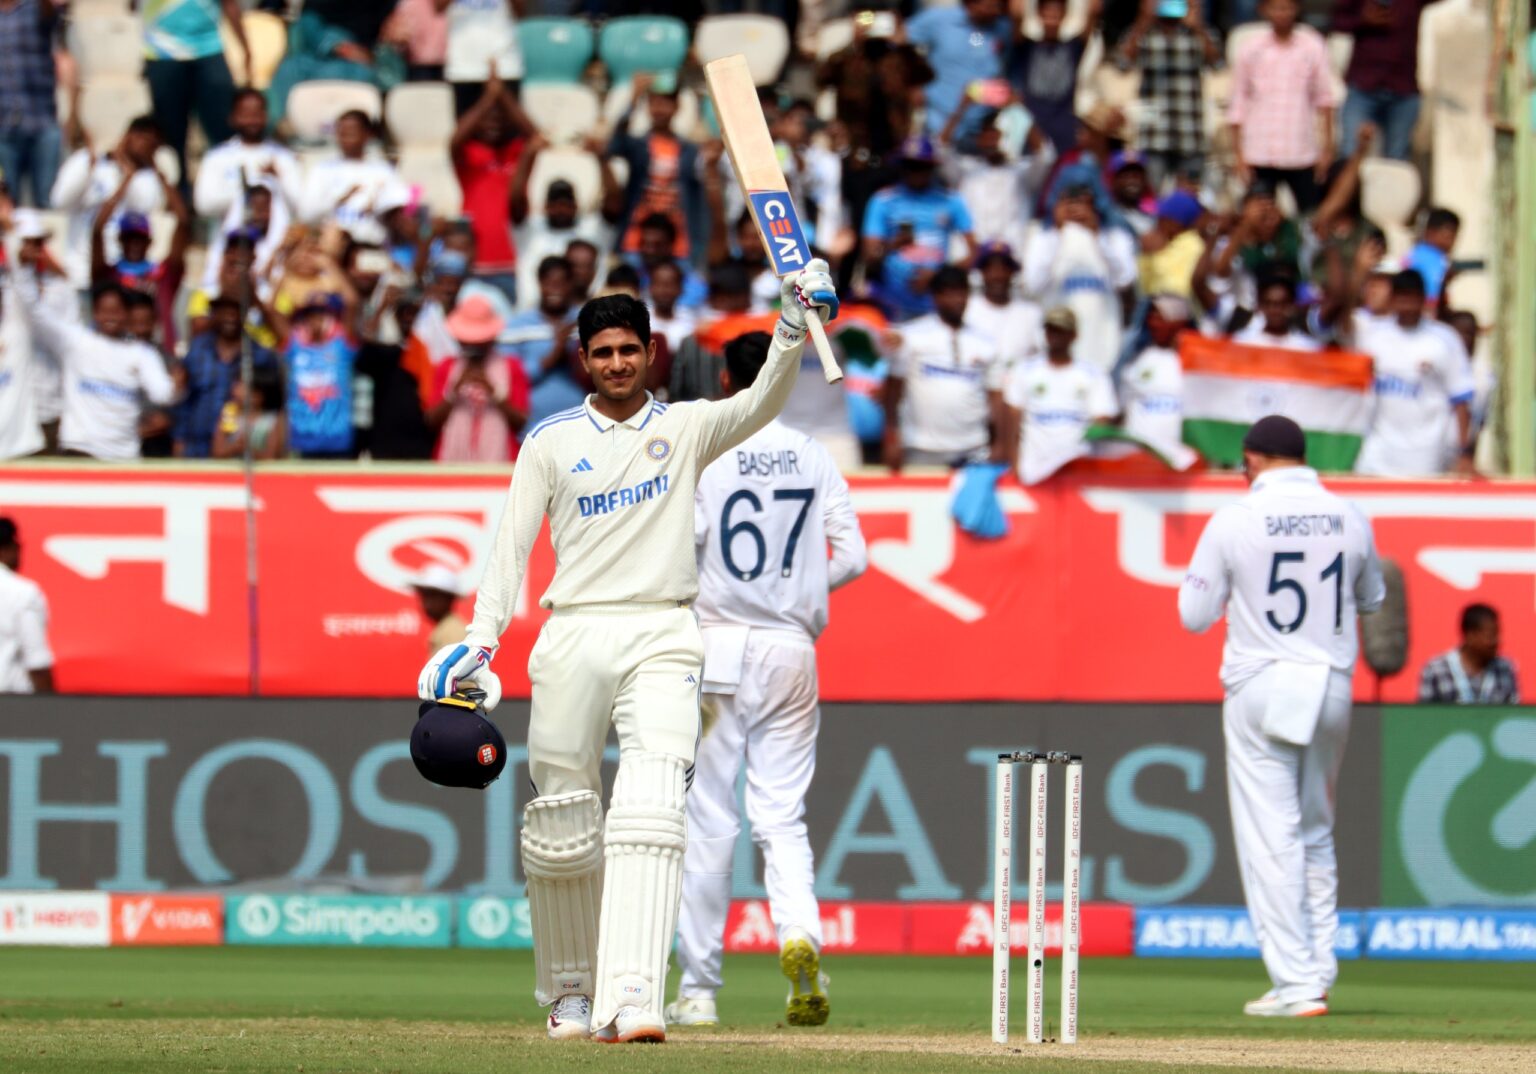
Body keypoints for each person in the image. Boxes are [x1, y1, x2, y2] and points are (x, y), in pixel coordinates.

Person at [416, 262, 839, 1044]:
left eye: (629, 350)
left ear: (652, 352)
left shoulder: (685, 428)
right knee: (563, 824)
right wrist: (480, 639)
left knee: (652, 808)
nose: (617, 363)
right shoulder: (549, 441)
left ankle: (636, 992)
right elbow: (509, 547)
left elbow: (760, 404)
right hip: (573, 630)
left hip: (664, 631)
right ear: (585, 358)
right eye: (602, 351)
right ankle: (572, 993)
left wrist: (791, 323)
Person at [668, 331, 868, 1029]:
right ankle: (799, 939)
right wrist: (804, 591)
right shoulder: (813, 452)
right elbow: (856, 554)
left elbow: (681, 549)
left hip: (716, 645)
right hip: (792, 648)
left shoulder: (706, 447)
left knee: (710, 819)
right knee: (781, 817)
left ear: (728, 377)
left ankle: (697, 990)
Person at [1178, 415, 1385, 1019]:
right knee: (1316, 830)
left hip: (1263, 683)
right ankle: (1315, 970)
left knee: (1270, 834)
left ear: (1252, 457)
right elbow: (1371, 599)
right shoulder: (1350, 515)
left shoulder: (1233, 519)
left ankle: (1295, 982)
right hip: (1331, 686)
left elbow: (1193, 615)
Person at [15, 278, 176, 459]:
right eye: (104, 311)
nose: (110, 317)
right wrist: (24, 271)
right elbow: (36, 314)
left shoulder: (141, 354)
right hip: (80, 451)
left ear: (127, 314)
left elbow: (162, 394)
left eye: (116, 311)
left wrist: (174, 384)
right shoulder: (76, 342)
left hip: (123, 456)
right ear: (95, 314)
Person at [1355, 270, 1474, 477]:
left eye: (1412, 299)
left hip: (1426, 458)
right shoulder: (1372, 336)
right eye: (1402, 299)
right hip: (1377, 455)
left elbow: (1461, 400)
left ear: (1422, 300)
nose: (1407, 306)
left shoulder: (1444, 340)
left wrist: (1463, 454)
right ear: (1392, 300)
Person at [882, 265, 1003, 470]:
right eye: (949, 293)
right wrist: (891, 437)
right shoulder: (911, 336)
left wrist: (1000, 443)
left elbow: (996, 397)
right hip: (922, 449)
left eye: (961, 292)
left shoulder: (985, 343)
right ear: (935, 297)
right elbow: (893, 390)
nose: (957, 299)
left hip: (973, 449)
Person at [1227, 0, 1338, 213]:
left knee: (1310, 216)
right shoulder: (1251, 48)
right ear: (1264, 10)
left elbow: (1324, 100)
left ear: (1296, 9)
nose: (1282, 14)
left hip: (1300, 151)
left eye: (1287, 7)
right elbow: (1238, 102)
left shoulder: (1312, 45)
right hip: (1259, 151)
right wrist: (1238, 155)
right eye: (1276, 8)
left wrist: (1327, 149)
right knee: (1257, 217)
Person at [862, 136, 977, 322]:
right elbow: (869, 256)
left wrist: (939, 277)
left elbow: (974, 252)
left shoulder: (950, 200)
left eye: (922, 166)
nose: (916, 172)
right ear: (901, 167)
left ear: (932, 168)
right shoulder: (883, 201)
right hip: (892, 304)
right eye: (911, 166)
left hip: (936, 307)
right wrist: (893, 245)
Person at [141, 0, 247, 199]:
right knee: (170, 133)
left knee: (223, 129)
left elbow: (230, 3)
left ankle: (231, 192)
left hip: (209, 49)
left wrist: (245, 47)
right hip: (163, 51)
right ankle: (177, 198)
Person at [1003, 306, 1118, 484]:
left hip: (1077, 471)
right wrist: (1014, 463)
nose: (1055, 336)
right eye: (1051, 330)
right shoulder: (1024, 371)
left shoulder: (1094, 375)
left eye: (1061, 331)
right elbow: (1012, 421)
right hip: (1033, 470)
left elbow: (1102, 419)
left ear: (1074, 335)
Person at [1115, 0, 1221, 191]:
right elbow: (1122, 64)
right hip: (1154, 134)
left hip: (1190, 132)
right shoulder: (1144, 32)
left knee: (1190, 199)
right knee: (1150, 198)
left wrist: (1199, 26)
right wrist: (1143, 21)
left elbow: (1218, 63)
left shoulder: (1198, 32)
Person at [50, 118, 166, 288]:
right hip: (80, 272)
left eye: (154, 146)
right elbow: (59, 201)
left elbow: (145, 207)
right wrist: (89, 166)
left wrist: (128, 177)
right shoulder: (86, 162)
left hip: (119, 277)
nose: (148, 150)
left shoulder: (145, 179)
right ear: (130, 136)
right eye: (146, 142)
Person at [452, 67, 533, 304]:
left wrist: (503, 95)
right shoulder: (470, 155)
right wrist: (488, 99)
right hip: (473, 265)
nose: (493, 123)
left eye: (499, 118)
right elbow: (455, 138)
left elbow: (535, 137)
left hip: (509, 264)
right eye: (487, 117)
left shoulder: (515, 153)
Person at [609, 73, 704, 264]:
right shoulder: (637, 146)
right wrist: (632, 103)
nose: (660, 109)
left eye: (666, 103)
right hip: (636, 241)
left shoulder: (690, 150)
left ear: (677, 107)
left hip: (678, 245)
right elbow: (614, 146)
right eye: (654, 102)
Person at [427, 294, 529, 462]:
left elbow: (521, 421)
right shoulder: (446, 366)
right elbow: (431, 421)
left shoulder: (511, 366)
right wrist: (454, 390)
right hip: (450, 460)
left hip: (500, 460)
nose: (473, 346)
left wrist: (492, 390)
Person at [1332, 0, 1437, 160]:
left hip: (1403, 87)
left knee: (1397, 159)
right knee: (1350, 152)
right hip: (1363, 85)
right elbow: (1337, 20)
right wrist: (1362, 19)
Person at [176, 294, 278, 457]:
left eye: (236, 311)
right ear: (213, 314)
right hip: (196, 444)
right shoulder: (197, 349)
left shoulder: (260, 354)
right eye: (223, 311)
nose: (230, 317)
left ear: (245, 315)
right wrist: (178, 440)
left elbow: (273, 403)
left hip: (239, 447)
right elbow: (185, 398)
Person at [906, 0, 1010, 142]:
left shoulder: (1002, 28)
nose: (995, 11)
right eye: (989, 6)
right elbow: (899, 40)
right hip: (938, 126)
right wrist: (913, 83)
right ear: (971, 4)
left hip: (982, 134)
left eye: (998, 6)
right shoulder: (939, 19)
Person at [194, 89, 302, 221]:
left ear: (266, 116)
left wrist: (278, 182)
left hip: (275, 238)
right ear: (233, 117)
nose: (252, 121)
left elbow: (300, 207)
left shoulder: (284, 156)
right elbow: (203, 205)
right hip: (231, 238)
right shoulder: (217, 157)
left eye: (257, 114)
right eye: (246, 115)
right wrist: (249, 192)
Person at [1010, 0, 1098, 157]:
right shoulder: (1028, 48)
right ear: (1038, 15)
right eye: (1047, 14)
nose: (1051, 19)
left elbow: (1093, 13)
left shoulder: (1073, 47)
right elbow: (1016, 16)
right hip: (1033, 129)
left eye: (1056, 14)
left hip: (1063, 128)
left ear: (1064, 16)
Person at [501, 255, 581, 426]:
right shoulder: (517, 325)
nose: (555, 290)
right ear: (539, 283)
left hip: (581, 425)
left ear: (571, 284)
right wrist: (554, 354)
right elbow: (509, 378)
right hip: (532, 427)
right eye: (549, 283)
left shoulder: (587, 322)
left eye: (561, 283)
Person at [299, 110, 401, 244]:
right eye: (341, 133)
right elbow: (307, 214)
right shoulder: (323, 169)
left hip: (369, 241)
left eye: (351, 133)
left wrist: (374, 206)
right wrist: (340, 200)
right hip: (331, 239)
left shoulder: (382, 170)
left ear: (367, 135)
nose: (345, 138)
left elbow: (397, 209)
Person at [280, 291, 359, 459]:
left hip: (338, 440)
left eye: (321, 315)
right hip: (301, 440)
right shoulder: (294, 344)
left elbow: (352, 301)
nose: (315, 321)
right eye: (310, 316)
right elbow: (270, 310)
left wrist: (326, 263)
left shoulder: (342, 344)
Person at [1119, 294, 1195, 467]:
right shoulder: (1137, 360)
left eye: (1160, 318)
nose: (1153, 323)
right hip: (1140, 461)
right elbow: (1124, 410)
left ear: (1178, 322)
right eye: (1151, 317)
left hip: (1182, 462)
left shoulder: (1196, 364)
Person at [0, 0, 61, 208]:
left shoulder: (34, 8)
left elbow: (52, 11)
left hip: (41, 120)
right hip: (4, 125)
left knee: (47, 201)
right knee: (6, 203)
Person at [965, 242, 1045, 372]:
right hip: (977, 386)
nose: (998, 276)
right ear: (981, 273)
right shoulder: (967, 309)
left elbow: (1041, 358)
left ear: (1013, 273)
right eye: (991, 269)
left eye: (1004, 268)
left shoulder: (1031, 313)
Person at [1419, 604, 1519, 705]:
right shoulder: (1437, 669)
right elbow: (1425, 716)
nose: (1496, 641)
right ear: (1470, 635)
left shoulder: (1505, 668)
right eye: (1491, 635)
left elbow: (1512, 715)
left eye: (1497, 634)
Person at [0, 517, 52, 694]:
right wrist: (53, 712)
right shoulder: (21, 593)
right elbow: (37, 661)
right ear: (9, 547)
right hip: (11, 708)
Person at [210, 362, 287, 460]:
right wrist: (235, 446)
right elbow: (217, 451)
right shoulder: (228, 414)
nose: (235, 389)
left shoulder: (271, 420)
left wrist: (249, 448)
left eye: (242, 386)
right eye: (236, 383)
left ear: (259, 396)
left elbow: (271, 455)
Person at [1232, 274, 1319, 351]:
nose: (1275, 310)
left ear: (1292, 306)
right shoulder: (1242, 343)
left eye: (1282, 304)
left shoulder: (1307, 348)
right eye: (1268, 303)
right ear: (1260, 306)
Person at [1404, 207, 1460, 307]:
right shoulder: (1433, 257)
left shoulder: (1415, 253)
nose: (1452, 242)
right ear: (1430, 232)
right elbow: (1430, 296)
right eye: (1448, 236)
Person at [412, 564, 467, 655]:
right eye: (424, 595)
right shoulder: (445, 629)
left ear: (449, 598)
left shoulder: (453, 633)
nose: (426, 602)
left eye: (432, 595)